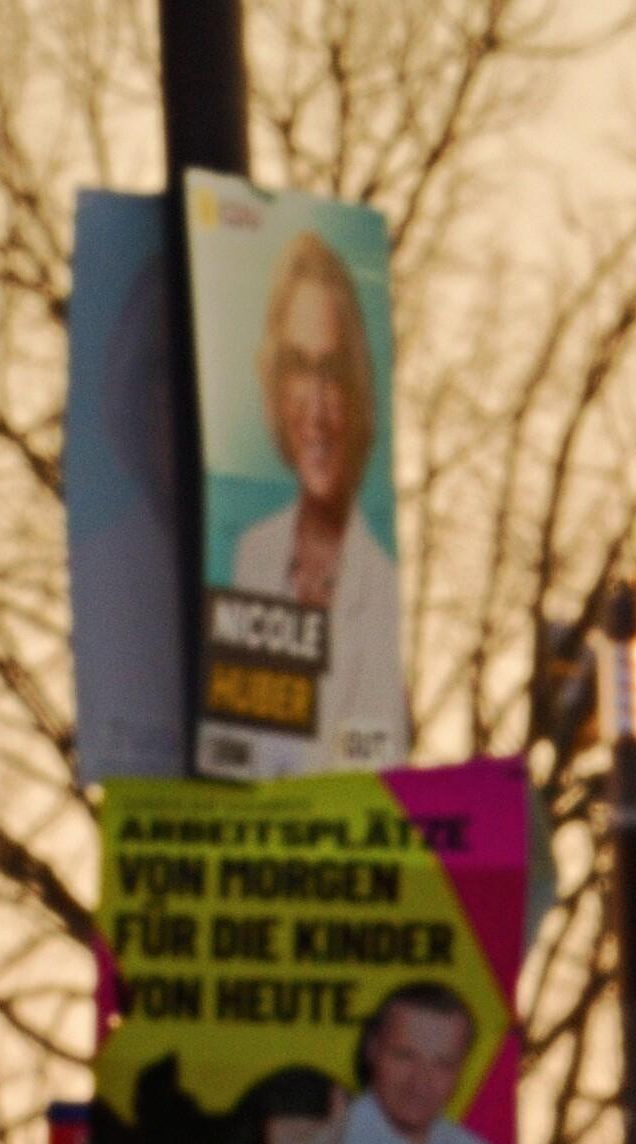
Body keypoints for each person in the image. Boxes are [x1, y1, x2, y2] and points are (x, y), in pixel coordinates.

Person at [223, 228, 403, 767]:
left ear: (360, 385)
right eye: (299, 367)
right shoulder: (251, 558)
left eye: (333, 371)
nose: (318, 408)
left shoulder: (385, 588)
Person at [212, 986, 501, 1144]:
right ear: (372, 1050)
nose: (420, 1083)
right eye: (404, 1056)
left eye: (443, 1064)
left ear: (463, 1068)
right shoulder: (318, 1136)